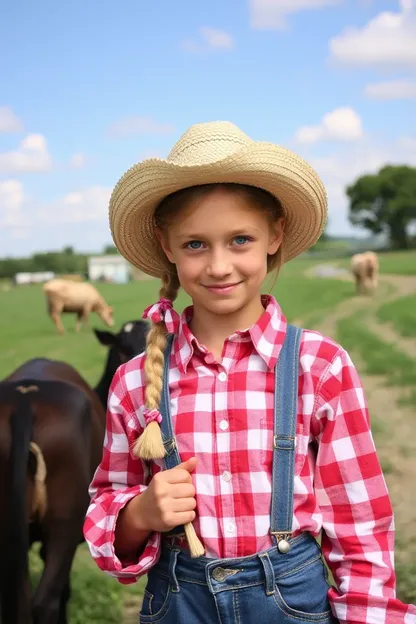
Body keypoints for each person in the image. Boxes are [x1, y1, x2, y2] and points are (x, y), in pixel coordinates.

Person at [83, 121, 416, 623]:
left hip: (290, 605)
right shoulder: (134, 381)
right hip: (179, 604)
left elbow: (360, 524)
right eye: (195, 244)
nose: (219, 266)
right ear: (166, 245)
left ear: (274, 236)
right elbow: (108, 501)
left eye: (240, 239)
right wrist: (140, 514)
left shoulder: (320, 367)